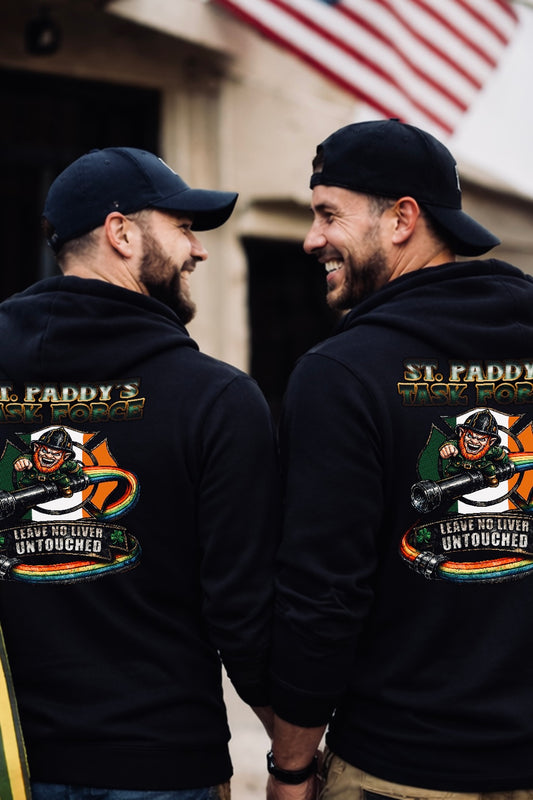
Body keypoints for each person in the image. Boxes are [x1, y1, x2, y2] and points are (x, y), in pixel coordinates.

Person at [0, 146, 280, 799]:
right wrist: (292, 752)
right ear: (121, 233)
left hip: (12, 760)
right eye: (182, 227)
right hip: (162, 766)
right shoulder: (215, 399)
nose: (198, 249)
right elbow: (242, 611)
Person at [266, 119, 533, 800]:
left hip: (401, 771)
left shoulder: (341, 373)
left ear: (401, 220)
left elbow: (322, 596)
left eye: (329, 214)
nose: (311, 239)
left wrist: (291, 766)